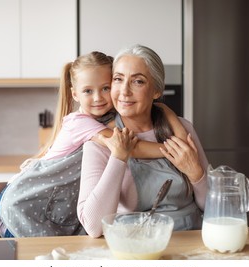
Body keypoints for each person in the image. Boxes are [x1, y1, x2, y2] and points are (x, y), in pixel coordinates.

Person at [0, 51, 187, 238]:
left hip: (57, 203)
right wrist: (174, 151)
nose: (98, 98)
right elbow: (126, 148)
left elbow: (153, 111)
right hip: (26, 200)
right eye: (88, 91)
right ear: (75, 94)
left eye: (105, 88)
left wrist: (167, 113)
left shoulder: (111, 117)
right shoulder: (79, 123)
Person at [77, 45, 209, 238]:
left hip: (191, 241)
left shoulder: (182, 129)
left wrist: (196, 174)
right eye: (118, 79)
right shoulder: (100, 140)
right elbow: (93, 227)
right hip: (134, 246)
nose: (124, 91)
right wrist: (118, 157)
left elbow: (216, 208)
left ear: (156, 90)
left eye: (138, 81)